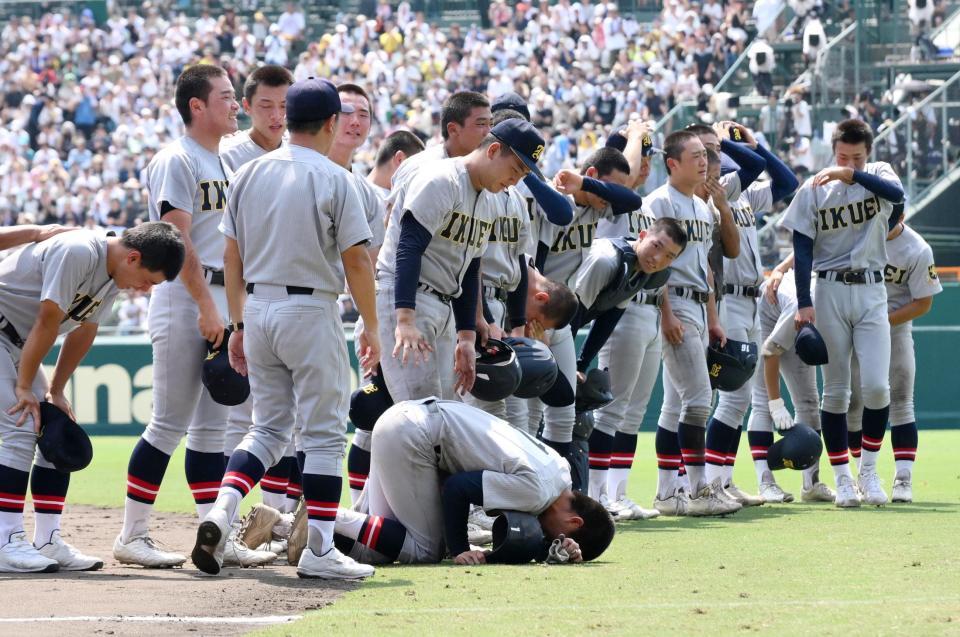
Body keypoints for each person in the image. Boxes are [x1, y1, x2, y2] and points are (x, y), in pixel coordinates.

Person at [192, 77, 381, 580]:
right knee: (321, 436)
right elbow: (358, 262)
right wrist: (374, 326)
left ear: (289, 119)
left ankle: (221, 511)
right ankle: (319, 550)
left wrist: (237, 323)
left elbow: (230, 256)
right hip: (310, 309)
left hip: (257, 307)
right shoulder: (336, 178)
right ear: (332, 122)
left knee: (267, 429)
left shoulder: (249, 173)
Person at [113, 64, 272, 569]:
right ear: (196, 106)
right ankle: (131, 534)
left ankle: (213, 534)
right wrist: (208, 307)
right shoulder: (176, 158)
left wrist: (235, 314)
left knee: (211, 431)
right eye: (226, 96)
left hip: (222, 299)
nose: (235, 105)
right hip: (186, 297)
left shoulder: (223, 162)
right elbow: (176, 239)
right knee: (168, 423)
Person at [0, 222, 184, 573]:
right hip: (5, 333)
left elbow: (85, 330)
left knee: (55, 428)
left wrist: (56, 391)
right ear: (133, 257)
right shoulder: (80, 251)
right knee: (21, 424)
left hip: (15, 342)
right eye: (149, 280)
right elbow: (47, 320)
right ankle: (5, 539)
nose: (145, 290)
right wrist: (25, 387)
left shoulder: (112, 275)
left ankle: (48, 540)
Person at [779, 118, 905, 508]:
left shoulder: (878, 173)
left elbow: (897, 195)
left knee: (877, 387)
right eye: (843, 155)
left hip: (871, 288)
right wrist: (803, 301)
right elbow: (801, 247)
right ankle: (843, 478)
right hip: (830, 287)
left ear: (867, 155)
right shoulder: (816, 187)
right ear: (833, 150)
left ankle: (869, 470)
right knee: (835, 392)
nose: (849, 161)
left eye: (858, 156)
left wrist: (852, 173)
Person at [374, 119, 546, 404]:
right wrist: (404, 319)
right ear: (492, 151)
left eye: (523, 174)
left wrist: (466, 336)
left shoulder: (489, 200)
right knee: (422, 414)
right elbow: (409, 247)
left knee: (447, 415)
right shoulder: (441, 180)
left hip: (444, 305)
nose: (516, 180)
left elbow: (470, 268)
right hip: (407, 296)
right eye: (516, 169)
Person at [334, 398, 615, 566]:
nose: (546, 538)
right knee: (426, 550)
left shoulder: (560, 468)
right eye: (555, 538)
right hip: (415, 436)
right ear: (574, 523)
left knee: (377, 551)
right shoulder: (538, 493)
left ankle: (315, 530)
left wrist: (553, 553)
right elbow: (458, 488)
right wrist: (460, 550)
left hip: (407, 419)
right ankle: (325, 515)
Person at [645, 130, 740, 517]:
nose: (704, 162)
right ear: (672, 163)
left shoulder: (704, 208)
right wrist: (665, 312)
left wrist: (714, 318)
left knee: (677, 404)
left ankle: (669, 492)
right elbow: (653, 263)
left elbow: (707, 269)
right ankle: (699, 488)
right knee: (699, 399)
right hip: (676, 305)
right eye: (696, 155)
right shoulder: (658, 202)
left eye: (706, 155)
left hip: (700, 306)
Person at [703, 122, 798, 507]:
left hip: (751, 299)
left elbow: (787, 181)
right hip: (724, 298)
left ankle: (722, 481)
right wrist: (728, 141)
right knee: (715, 396)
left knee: (737, 399)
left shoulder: (741, 197)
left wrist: (755, 144)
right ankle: (706, 480)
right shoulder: (715, 193)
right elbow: (756, 169)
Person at [218, 65, 298, 518]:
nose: (276, 114)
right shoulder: (230, 155)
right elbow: (229, 245)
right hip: (238, 292)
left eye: (285, 105)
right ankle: (231, 520)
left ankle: (272, 517)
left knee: (287, 419)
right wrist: (235, 318)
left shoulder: (295, 153)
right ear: (246, 107)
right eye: (265, 105)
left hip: (283, 293)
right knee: (238, 416)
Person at [532, 147, 645, 460]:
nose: (608, 199)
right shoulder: (558, 200)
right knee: (527, 412)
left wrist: (587, 183)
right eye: (606, 189)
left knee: (565, 411)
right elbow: (537, 264)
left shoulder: (597, 204)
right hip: (537, 312)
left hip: (563, 318)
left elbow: (632, 200)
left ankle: (557, 489)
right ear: (594, 174)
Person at [846, 211, 942, 503]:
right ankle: (864, 472)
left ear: (900, 215)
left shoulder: (917, 248)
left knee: (901, 400)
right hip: (857, 327)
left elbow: (924, 302)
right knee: (853, 404)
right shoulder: (859, 234)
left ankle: (903, 479)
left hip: (894, 327)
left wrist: (883, 321)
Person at [746, 270, 835, 503]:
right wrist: (777, 403)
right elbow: (770, 351)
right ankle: (765, 482)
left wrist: (781, 267)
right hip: (769, 314)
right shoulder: (806, 302)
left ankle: (811, 484)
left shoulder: (842, 303)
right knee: (763, 403)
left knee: (809, 403)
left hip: (799, 323)